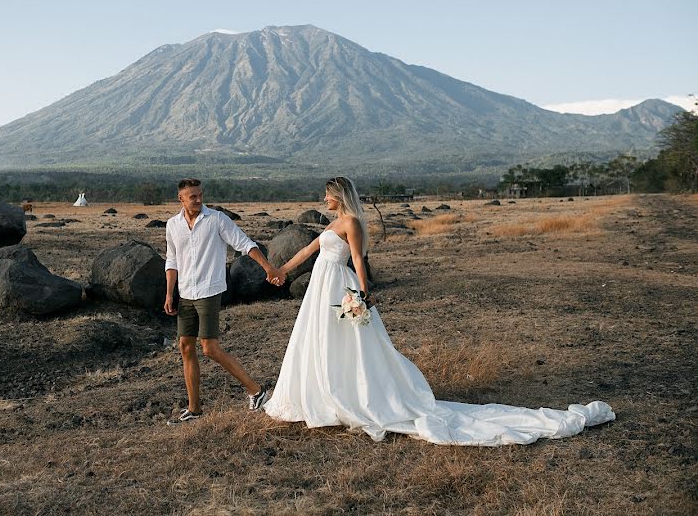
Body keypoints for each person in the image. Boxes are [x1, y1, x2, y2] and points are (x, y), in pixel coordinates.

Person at [263, 176, 615, 444]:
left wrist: (363, 295)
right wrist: (280, 271)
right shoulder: (330, 224)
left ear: (339, 196)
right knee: (320, 340)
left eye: (327, 194)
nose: (322, 199)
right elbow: (309, 250)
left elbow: (357, 259)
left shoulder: (351, 223)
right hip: (320, 288)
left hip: (340, 286)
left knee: (352, 344)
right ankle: (323, 390)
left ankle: (353, 394)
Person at [164, 178, 280, 424]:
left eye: (199, 195)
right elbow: (171, 260)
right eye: (192, 196)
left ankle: (257, 391)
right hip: (185, 293)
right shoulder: (173, 225)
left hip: (208, 290)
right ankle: (194, 410)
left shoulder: (217, 219)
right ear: (181, 199)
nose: (197, 199)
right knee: (186, 346)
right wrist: (169, 293)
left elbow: (245, 244)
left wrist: (268, 267)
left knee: (209, 348)